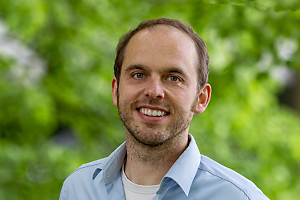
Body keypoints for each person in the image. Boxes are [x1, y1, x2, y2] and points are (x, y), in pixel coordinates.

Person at [59, 17, 269, 200]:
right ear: (116, 90)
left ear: (201, 98)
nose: (154, 91)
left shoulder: (239, 197)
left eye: (173, 78)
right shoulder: (78, 188)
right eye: (139, 74)